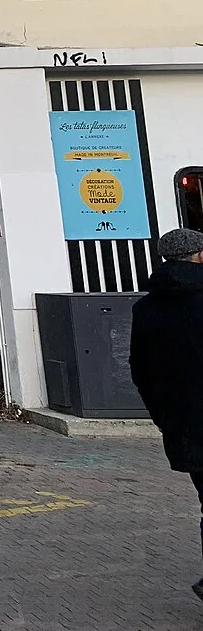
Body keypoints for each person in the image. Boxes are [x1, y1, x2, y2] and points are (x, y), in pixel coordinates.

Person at [130, 227, 203, 603]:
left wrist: (163, 416)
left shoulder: (145, 308)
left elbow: (139, 369)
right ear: (199, 255)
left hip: (184, 426)